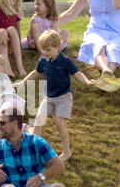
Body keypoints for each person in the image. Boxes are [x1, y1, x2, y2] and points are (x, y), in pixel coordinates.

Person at [15, 30, 95, 161]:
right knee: (38, 120)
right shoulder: (43, 60)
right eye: (43, 49)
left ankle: (66, 152)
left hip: (64, 97)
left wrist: (87, 81)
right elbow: (35, 72)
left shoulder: (65, 60)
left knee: (59, 123)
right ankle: (34, 151)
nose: (45, 53)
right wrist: (22, 83)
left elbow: (77, 73)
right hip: (49, 97)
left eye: (48, 50)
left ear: (58, 47)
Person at [0, 53, 30, 134]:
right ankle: (20, 129)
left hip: (8, 103)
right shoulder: (3, 77)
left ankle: (25, 128)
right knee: (6, 123)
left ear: (3, 68)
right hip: (16, 103)